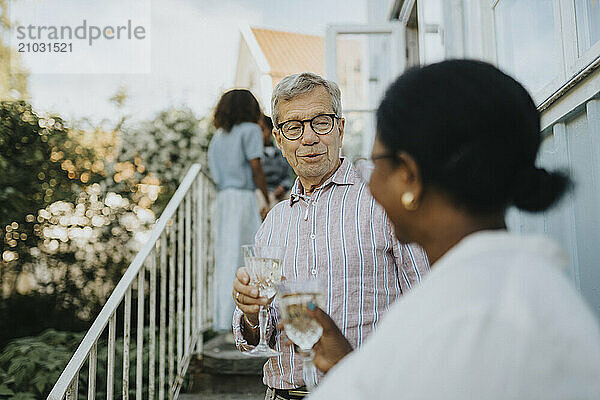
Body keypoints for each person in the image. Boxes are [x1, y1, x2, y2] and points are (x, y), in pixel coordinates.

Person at [304, 60, 600, 399]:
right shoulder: (509, 288)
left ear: (410, 177)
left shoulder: (469, 318)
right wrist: (347, 365)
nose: (369, 185)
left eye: (377, 165)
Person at [230, 72, 430, 399]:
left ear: (340, 128)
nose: (308, 138)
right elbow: (257, 339)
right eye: (294, 127)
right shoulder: (273, 222)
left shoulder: (384, 202)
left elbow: (428, 302)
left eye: (320, 122)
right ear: (279, 140)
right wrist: (250, 313)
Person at [208, 89, 270, 331]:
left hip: (223, 199)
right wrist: (265, 197)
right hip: (243, 199)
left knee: (226, 257)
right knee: (250, 257)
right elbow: (256, 167)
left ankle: (223, 319)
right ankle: (246, 321)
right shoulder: (251, 130)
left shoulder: (218, 137)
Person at [256, 113, 293, 214]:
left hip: (280, 192)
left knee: (291, 200)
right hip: (264, 192)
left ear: (270, 131)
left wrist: (283, 187)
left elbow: (288, 176)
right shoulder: (256, 156)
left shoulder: (282, 153)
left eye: (262, 130)